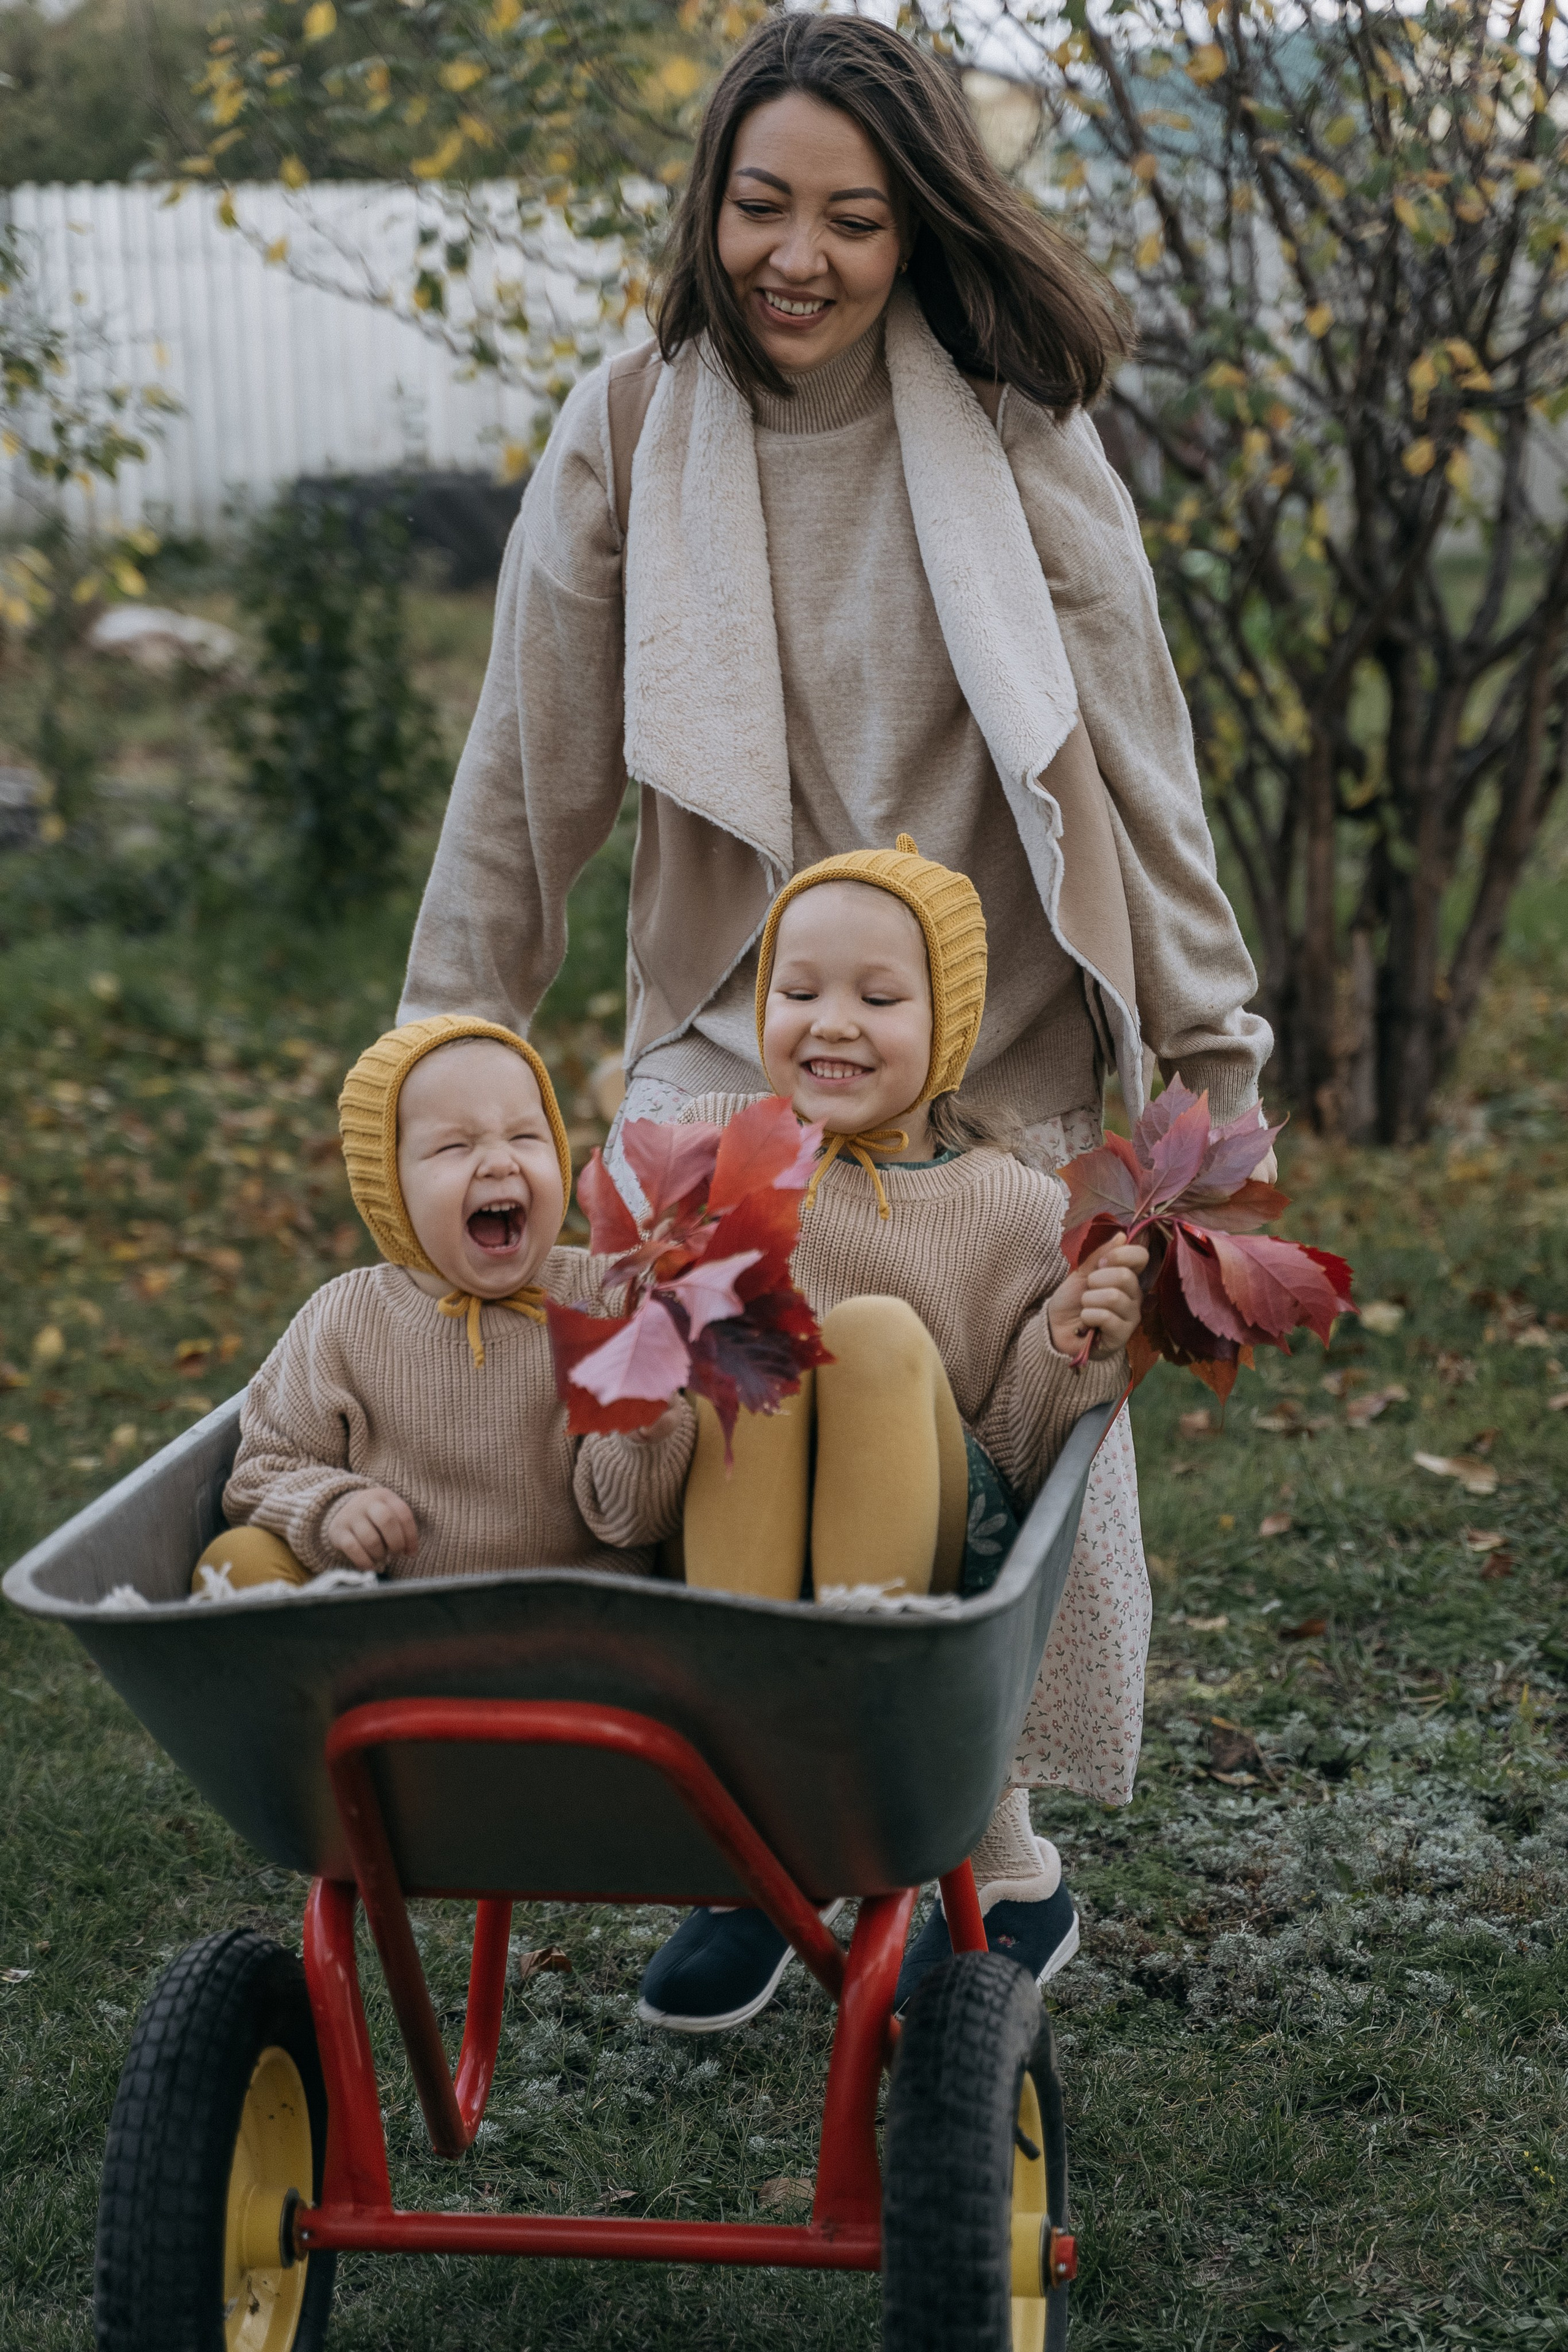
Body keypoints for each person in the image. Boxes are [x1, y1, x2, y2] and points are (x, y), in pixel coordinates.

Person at [397, 13, 1271, 1947]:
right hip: (741, 1029)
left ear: (920, 226)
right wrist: (439, 1053)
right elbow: (525, 773)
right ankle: (754, 1809)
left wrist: (1213, 1062)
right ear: (708, 204)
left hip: (991, 1030)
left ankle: (985, 1822)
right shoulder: (633, 425)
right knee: (721, 1385)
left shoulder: (1016, 430)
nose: (797, 256)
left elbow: (1141, 758)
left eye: (854, 221)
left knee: (978, 1425)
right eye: (761, 204)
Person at [636, 839, 1147, 2032]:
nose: (832, 1023)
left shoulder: (1008, 1207)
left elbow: (1023, 1453)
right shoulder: (713, 1149)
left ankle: (909, 1813)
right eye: (798, 990)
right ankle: (778, 1824)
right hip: (746, 1552)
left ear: (948, 1028)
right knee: (743, 1336)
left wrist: (1066, 1338)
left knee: (865, 1338)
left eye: (878, 998)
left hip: (927, 1565)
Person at [198, 1016, 692, 1591]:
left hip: (579, 1611)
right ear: (390, 1188)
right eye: (455, 1146)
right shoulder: (343, 1324)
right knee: (237, 1558)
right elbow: (262, 1471)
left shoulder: (607, 1297)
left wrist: (643, 1441)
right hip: (399, 1619)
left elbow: (638, 1524)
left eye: (525, 1137)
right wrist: (331, 1507)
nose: (501, 1162)